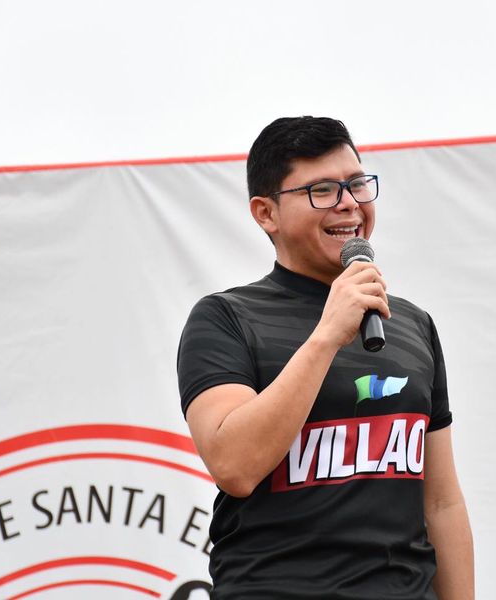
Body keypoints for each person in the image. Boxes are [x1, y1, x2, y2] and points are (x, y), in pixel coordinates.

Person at [177, 116, 474, 599]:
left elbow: (441, 501)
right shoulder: (225, 319)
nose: (349, 203)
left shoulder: (412, 323)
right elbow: (235, 465)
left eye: (357, 184)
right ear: (265, 213)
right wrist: (326, 337)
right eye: (322, 190)